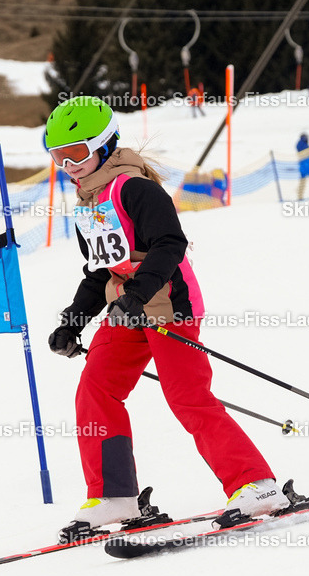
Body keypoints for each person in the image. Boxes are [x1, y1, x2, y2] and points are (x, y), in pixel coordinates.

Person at [44, 96, 286, 541]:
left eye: (76, 153)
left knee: (187, 396)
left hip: (168, 306)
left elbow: (171, 245)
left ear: (103, 145)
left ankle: (256, 485)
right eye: (57, 156)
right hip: (126, 312)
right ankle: (115, 495)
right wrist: (72, 322)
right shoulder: (87, 203)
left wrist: (138, 294)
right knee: (95, 391)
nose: (68, 165)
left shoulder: (137, 190)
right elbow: (100, 272)